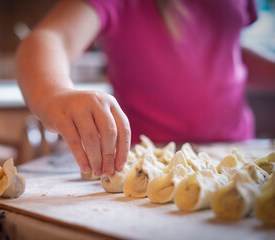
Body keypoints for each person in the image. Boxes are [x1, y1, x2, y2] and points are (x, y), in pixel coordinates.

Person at [16, 0, 275, 177]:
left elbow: (222, 52)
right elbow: (51, 38)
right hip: (145, 164)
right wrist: (54, 94)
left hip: (236, 151)